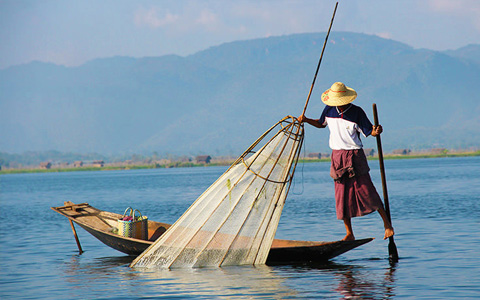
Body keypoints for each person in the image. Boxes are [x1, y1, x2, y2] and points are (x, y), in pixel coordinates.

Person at [298, 82, 394, 241]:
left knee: (366, 189)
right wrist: (306, 120)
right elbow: (321, 124)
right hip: (337, 156)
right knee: (341, 195)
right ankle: (349, 233)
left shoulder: (357, 112)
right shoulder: (329, 109)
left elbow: (369, 130)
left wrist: (376, 131)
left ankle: (387, 226)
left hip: (355, 155)